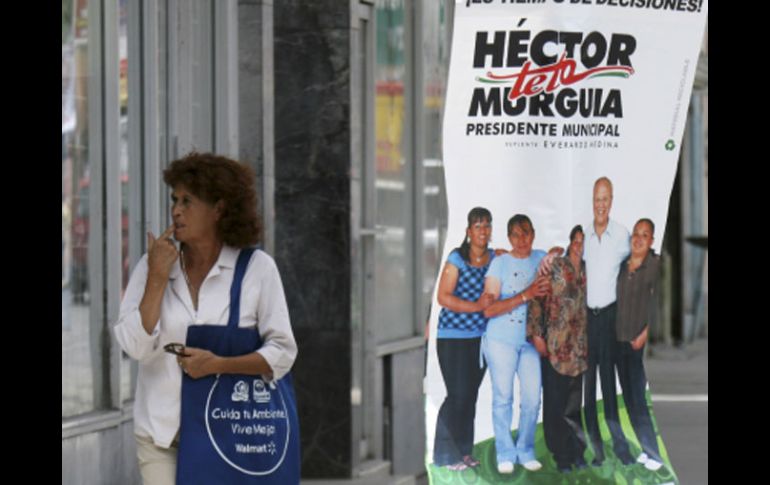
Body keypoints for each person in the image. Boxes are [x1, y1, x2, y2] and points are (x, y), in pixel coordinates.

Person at [113, 152, 297, 485]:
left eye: (188, 201)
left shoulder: (257, 269)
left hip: (231, 438)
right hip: (162, 436)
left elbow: (283, 352)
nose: (176, 210)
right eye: (174, 200)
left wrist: (219, 364)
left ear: (219, 209)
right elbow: (135, 348)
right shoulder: (153, 265)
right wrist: (156, 279)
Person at [482, 214, 550, 474]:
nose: (522, 240)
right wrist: (525, 295)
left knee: (532, 398)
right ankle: (505, 453)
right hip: (501, 340)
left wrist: (557, 252)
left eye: (526, 233)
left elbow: (563, 260)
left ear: (534, 234)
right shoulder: (500, 263)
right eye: (516, 235)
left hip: (531, 341)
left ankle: (525, 449)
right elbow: (489, 310)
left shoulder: (541, 258)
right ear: (509, 237)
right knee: (503, 398)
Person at [433, 207, 496, 471]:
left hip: (479, 340)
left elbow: (515, 255)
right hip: (453, 337)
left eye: (487, 225)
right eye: (478, 226)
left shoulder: (494, 258)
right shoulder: (456, 258)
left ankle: (464, 453)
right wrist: (476, 306)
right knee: (457, 395)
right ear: (469, 231)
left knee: (469, 397)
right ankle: (445, 455)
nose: (483, 231)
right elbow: (443, 297)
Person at [528, 225, 589, 473]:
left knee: (574, 405)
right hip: (554, 345)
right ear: (570, 241)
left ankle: (577, 452)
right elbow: (536, 299)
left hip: (579, 349)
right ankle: (561, 456)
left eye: (584, 241)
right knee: (555, 404)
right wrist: (536, 335)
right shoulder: (554, 266)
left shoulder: (589, 271)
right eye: (576, 240)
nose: (580, 245)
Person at [582, 176, 634, 466]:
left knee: (609, 385)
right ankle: (596, 450)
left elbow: (635, 268)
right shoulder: (585, 235)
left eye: (605, 199)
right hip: (588, 319)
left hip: (610, 317)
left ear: (611, 201)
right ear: (592, 201)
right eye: (596, 199)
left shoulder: (622, 235)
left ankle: (621, 448)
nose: (600, 205)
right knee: (589, 388)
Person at [615, 218, 664, 471]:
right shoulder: (623, 265)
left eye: (645, 235)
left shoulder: (655, 266)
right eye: (636, 233)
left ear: (652, 240)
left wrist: (645, 335)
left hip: (639, 345)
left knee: (639, 399)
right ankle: (646, 448)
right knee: (630, 399)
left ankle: (655, 454)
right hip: (620, 342)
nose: (638, 238)